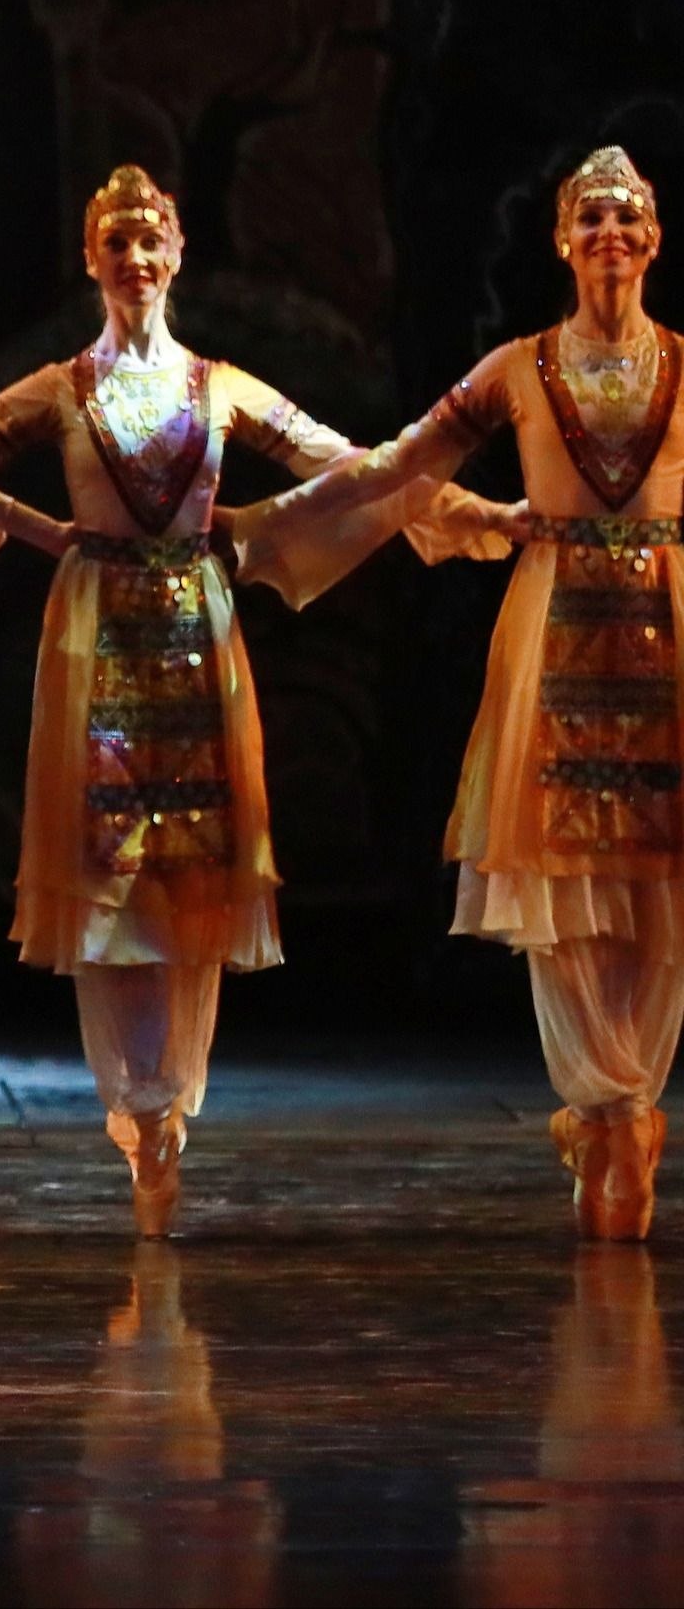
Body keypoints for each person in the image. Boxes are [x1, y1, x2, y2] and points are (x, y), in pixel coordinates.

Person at [0, 164, 513, 1235]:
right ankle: (139, 1103)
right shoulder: (58, 388)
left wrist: (461, 510)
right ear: (91, 260)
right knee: (111, 880)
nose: (135, 258)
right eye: (116, 242)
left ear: (176, 256)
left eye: (150, 241)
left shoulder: (220, 387)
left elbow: (355, 466)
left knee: (189, 878)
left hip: (195, 639)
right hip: (98, 644)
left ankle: (169, 1098)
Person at [238, 147, 681, 1239]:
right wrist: (276, 521)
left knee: (658, 875)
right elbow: (402, 464)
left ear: (655, 240)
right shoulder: (518, 368)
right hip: (557, 634)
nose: (610, 232)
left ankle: (628, 1102)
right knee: (565, 870)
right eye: (590, 217)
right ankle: (607, 1105)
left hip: (666, 635)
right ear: (562, 241)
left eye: (627, 216)